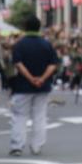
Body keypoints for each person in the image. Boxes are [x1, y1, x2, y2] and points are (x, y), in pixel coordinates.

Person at [9, 15, 59, 156]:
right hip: (43, 86)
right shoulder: (46, 44)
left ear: (25, 28)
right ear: (39, 27)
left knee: (20, 116)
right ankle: (37, 146)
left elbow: (19, 64)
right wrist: (42, 78)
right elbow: (53, 64)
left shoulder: (19, 44)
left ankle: (17, 146)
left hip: (23, 86)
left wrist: (31, 78)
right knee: (40, 116)